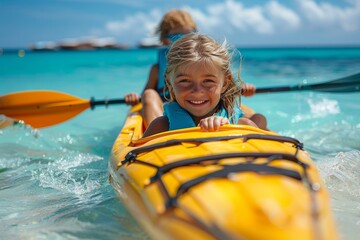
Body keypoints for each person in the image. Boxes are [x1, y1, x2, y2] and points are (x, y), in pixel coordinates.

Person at [124, 9, 263, 128]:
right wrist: (135, 98)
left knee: (254, 117)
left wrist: (243, 88)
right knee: (148, 94)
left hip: (208, 104)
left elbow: (226, 84)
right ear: (163, 39)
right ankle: (169, 129)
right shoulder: (157, 69)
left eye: (187, 35)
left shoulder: (206, 61)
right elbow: (144, 96)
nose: (181, 39)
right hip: (168, 106)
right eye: (176, 36)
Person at [143, 33, 267, 137]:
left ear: (225, 82)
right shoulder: (161, 127)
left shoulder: (242, 125)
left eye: (208, 81)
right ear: (169, 83)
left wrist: (227, 129)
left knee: (257, 119)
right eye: (185, 81)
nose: (197, 91)